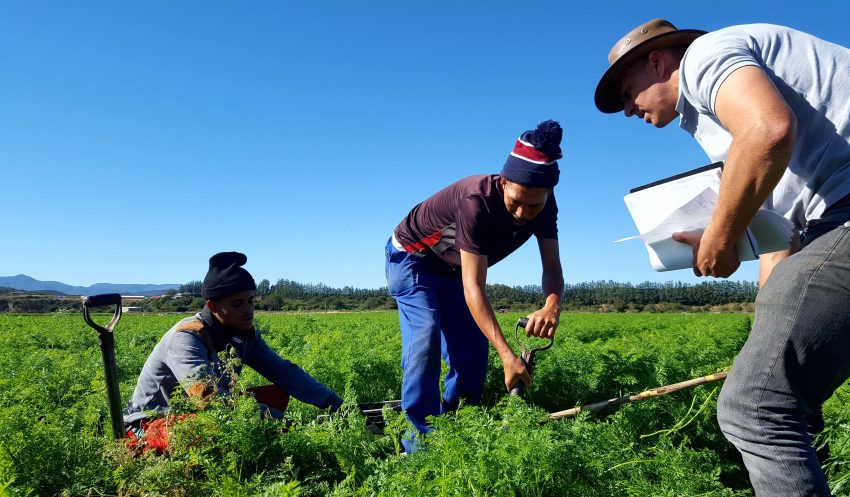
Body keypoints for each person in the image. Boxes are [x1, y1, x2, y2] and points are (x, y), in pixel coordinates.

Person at [595, 18, 850, 496]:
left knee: (755, 407)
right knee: (775, 391)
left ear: (658, 60)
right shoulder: (718, 125)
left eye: (627, 93)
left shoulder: (706, 56)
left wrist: (719, 235)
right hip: (829, 219)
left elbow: (769, 130)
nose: (627, 110)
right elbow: (782, 241)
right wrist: (762, 341)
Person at [386, 120, 565, 452]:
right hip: (413, 258)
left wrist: (551, 305)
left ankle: (458, 428)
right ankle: (420, 447)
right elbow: (475, 287)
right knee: (424, 338)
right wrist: (508, 355)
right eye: (516, 201)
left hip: (454, 269)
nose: (524, 213)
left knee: (471, 357)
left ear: (549, 194)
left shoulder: (545, 205)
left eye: (534, 205)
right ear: (503, 181)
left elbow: (552, 268)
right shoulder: (476, 200)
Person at [123, 251, 343, 450]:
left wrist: (335, 404)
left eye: (251, 301)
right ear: (213, 306)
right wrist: (287, 426)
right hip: (151, 423)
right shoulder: (187, 338)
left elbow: (283, 372)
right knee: (212, 427)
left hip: (194, 413)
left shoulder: (243, 333)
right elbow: (210, 400)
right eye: (237, 304)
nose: (248, 311)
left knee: (274, 395)